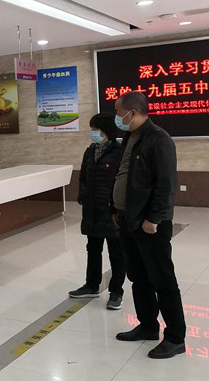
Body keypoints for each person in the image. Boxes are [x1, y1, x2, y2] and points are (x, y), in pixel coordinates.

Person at [112, 92, 186, 359]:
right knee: (139, 277)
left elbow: (166, 183)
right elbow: (123, 175)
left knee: (162, 280)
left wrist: (154, 219)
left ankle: (176, 338)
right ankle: (147, 326)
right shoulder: (129, 137)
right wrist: (116, 209)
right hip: (128, 219)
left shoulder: (158, 138)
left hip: (149, 223)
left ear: (132, 112)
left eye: (118, 112)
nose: (117, 117)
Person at [69, 113, 126, 310]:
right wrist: (82, 195)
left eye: (96, 129)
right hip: (92, 210)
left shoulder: (119, 152)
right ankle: (91, 285)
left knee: (116, 252)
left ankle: (116, 292)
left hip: (111, 210)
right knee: (93, 249)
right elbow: (83, 177)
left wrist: (118, 206)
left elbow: (122, 180)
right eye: (92, 129)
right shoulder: (91, 150)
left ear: (107, 130)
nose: (93, 132)